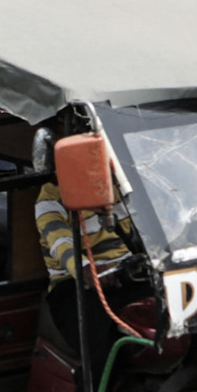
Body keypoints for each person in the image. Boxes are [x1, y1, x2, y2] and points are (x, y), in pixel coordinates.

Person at [31, 128, 134, 360]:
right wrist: (86, 269)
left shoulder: (120, 186)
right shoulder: (50, 199)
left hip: (126, 274)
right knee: (100, 338)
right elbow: (60, 242)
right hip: (73, 285)